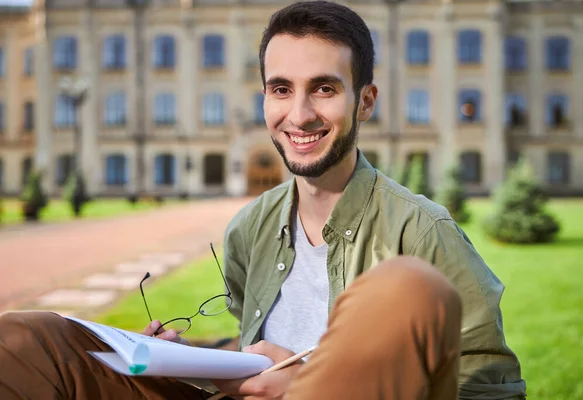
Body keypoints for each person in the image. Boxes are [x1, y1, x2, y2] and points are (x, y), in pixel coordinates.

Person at [0, 1, 526, 399]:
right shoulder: (250, 227)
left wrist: (306, 386)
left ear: (365, 101)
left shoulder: (422, 231)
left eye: (323, 88)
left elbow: (491, 387)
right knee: (29, 339)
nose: (299, 115)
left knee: (408, 289)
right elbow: (258, 351)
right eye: (280, 89)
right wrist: (194, 357)